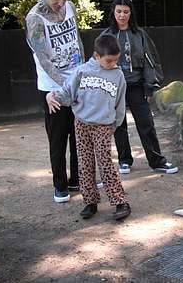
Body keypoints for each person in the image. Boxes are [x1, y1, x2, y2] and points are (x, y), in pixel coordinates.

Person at [46, 34, 131, 220]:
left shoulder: (118, 75)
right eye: (109, 60)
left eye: (116, 60)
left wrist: (115, 124)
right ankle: (90, 201)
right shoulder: (82, 71)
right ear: (97, 56)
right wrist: (51, 96)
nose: (113, 64)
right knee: (84, 163)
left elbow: (120, 103)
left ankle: (120, 201)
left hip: (104, 126)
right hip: (82, 124)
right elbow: (67, 92)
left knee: (105, 162)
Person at [99, 0, 178, 175]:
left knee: (146, 123)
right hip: (114, 87)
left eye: (126, 12)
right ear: (113, 12)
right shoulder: (106, 35)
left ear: (131, 13)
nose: (122, 15)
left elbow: (152, 61)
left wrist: (150, 86)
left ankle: (157, 161)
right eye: (118, 11)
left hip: (136, 85)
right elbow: (99, 64)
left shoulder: (139, 35)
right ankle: (124, 160)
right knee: (119, 124)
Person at [25, 0, 84, 203]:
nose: (61, 2)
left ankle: (77, 178)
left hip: (75, 78)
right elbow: (43, 58)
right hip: (53, 87)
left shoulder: (70, 7)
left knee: (78, 133)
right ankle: (60, 185)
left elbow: (77, 39)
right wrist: (65, 86)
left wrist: (82, 74)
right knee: (58, 138)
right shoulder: (35, 18)